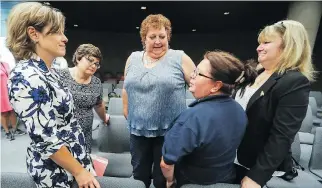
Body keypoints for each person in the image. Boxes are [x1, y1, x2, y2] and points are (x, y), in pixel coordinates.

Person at [6, 2, 100, 188]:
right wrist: (79, 171)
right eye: (56, 31)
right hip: (57, 174)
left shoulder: (48, 71)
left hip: (72, 165)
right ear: (34, 34)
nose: (64, 38)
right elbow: (45, 139)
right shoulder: (25, 76)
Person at [234, 20, 315, 188]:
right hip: (233, 157)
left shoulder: (294, 81)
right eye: (259, 43)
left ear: (288, 46)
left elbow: (282, 136)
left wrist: (257, 177)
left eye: (266, 42)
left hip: (255, 165)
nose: (258, 47)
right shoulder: (256, 73)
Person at [160, 51, 257, 188]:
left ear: (216, 86)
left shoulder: (192, 118)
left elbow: (166, 163)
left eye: (198, 73)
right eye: (194, 71)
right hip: (225, 179)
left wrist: (170, 181)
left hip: (192, 182)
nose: (191, 76)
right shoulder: (239, 111)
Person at [122, 14, 196, 188]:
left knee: (163, 180)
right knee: (139, 176)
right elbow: (126, 88)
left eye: (162, 37)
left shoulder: (180, 58)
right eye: (152, 37)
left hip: (169, 134)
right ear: (144, 39)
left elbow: (200, 87)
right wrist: (127, 111)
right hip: (137, 133)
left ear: (168, 37)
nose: (157, 41)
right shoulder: (132, 58)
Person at [55, 44, 109, 153]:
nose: (93, 65)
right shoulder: (60, 76)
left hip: (84, 134)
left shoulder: (96, 82)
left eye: (96, 64)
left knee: (82, 165)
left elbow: (99, 104)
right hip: (61, 133)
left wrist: (104, 118)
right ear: (78, 58)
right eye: (90, 60)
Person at [1, 59, 26, 140]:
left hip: (9, 91)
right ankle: (7, 132)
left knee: (12, 111)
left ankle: (15, 129)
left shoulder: (5, 64)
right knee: (4, 113)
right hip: (1, 94)